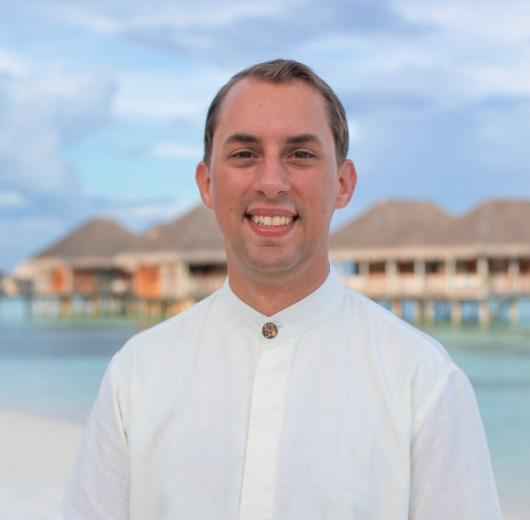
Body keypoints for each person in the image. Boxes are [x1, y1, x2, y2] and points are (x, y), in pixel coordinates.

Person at [61, 59, 502, 519]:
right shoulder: (137, 374)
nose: (271, 183)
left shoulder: (423, 382)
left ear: (343, 183)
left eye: (300, 155)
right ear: (207, 183)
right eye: (245, 154)